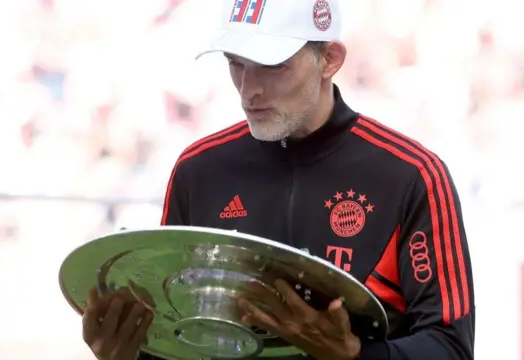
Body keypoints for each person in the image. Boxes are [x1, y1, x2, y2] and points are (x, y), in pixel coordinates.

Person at [81, 0, 475, 359]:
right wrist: (125, 355)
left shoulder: (411, 174)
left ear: (330, 59)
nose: (249, 90)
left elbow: (451, 347)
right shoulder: (198, 170)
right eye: (236, 63)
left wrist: (354, 356)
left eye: (272, 66)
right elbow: (180, 336)